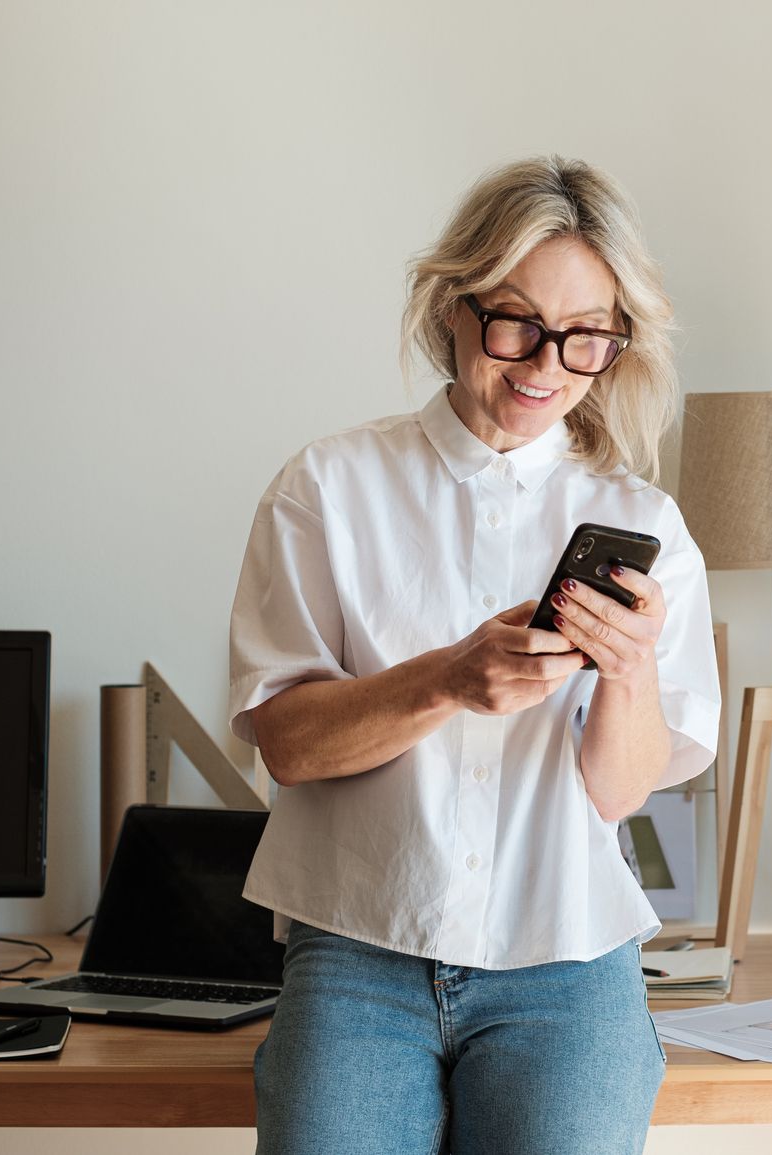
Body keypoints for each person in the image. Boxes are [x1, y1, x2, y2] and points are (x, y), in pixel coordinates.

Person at [226, 155, 720, 1155]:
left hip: (569, 959)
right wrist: (446, 679)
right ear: (452, 308)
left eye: (584, 338)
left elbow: (623, 793)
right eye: (516, 325)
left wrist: (625, 673)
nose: (544, 369)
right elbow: (285, 744)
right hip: (357, 949)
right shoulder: (327, 488)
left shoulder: (640, 520)